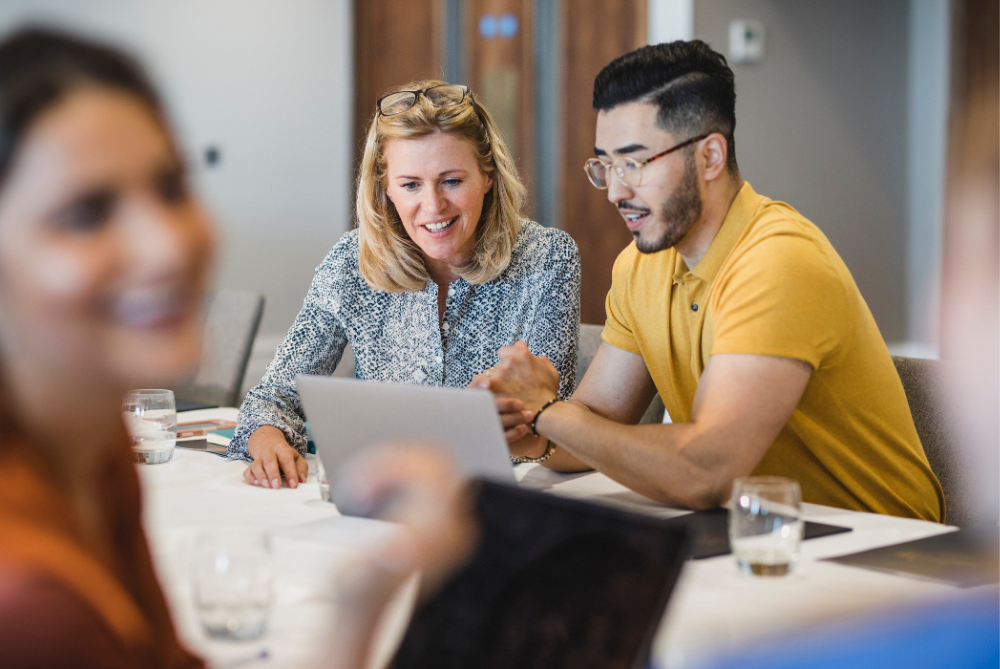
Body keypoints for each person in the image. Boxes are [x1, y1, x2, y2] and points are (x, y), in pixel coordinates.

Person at [0, 28, 475, 669]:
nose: (166, 244)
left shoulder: (99, 455)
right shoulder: (31, 598)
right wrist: (368, 604)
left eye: (171, 186)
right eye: (86, 213)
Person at [475, 40, 944, 521]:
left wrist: (550, 413)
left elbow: (706, 471)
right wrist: (526, 422)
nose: (615, 191)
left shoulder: (777, 261)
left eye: (634, 164)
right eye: (606, 166)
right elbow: (594, 429)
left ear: (711, 157)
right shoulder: (641, 266)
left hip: (886, 551)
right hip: (761, 531)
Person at [231, 80, 581, 489]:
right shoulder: (351, 262)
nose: (432, 206)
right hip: (384, 496)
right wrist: (268, 441)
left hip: (507, 502)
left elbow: (556, 423)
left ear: (488, 175)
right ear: (385, 188)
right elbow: (272, 398)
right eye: (410, 184)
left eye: (452, 180)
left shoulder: (548, 258)